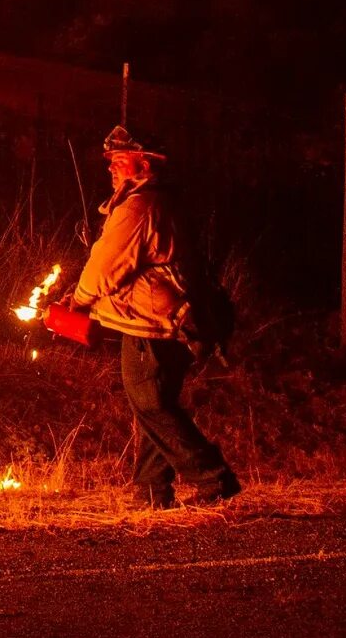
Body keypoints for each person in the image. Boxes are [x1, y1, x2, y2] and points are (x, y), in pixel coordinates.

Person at [61, 126, 239, 509]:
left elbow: (105, 269)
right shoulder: (159, 201)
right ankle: (151, 491)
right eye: (110, 161)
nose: (111, 168)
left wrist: (77, 301)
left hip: (153, 324)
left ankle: (212, 477)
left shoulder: (141, 206)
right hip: (171, 321)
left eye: (120, 161)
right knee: (153, 404)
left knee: (152, 404)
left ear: (144, 164)